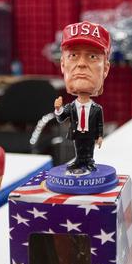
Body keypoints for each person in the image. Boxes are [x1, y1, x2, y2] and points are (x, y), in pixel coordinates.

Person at [54, 21, 110, 174]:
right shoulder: (71, 107)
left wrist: (99, 136)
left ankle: (89, 161)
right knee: (79, 148)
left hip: (90, 135)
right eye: (73, 55)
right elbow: (61, 118)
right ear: (62, 65)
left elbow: (99, 124)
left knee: (88, 149)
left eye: (92, 56)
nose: (81, 64)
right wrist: (58, 109)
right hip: (77, 133)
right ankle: (79, 160)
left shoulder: (97, 108)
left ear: (106, 68)